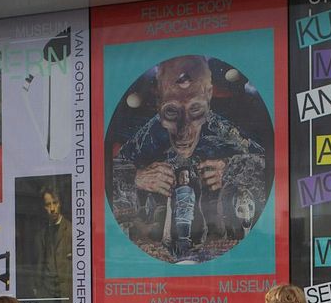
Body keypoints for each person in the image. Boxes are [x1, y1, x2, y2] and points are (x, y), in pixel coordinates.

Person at [111, 55, 266, 251]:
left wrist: (232, 169)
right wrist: (136, 177)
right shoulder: (151, 133)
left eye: (195, 110)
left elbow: (272, 168)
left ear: (208, 99)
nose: (184, 130)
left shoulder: (220, 129)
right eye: (171, 112)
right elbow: (105, 178)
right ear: (158, 104)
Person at [35, 186, 73, 303]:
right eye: (48, 204)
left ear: (60, 203)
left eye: (55, 203)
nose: (52, 208)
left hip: (68, 297)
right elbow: (39, 265)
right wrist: (38, 292)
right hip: (48, 298)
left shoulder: (73, 231)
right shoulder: (41, 234)